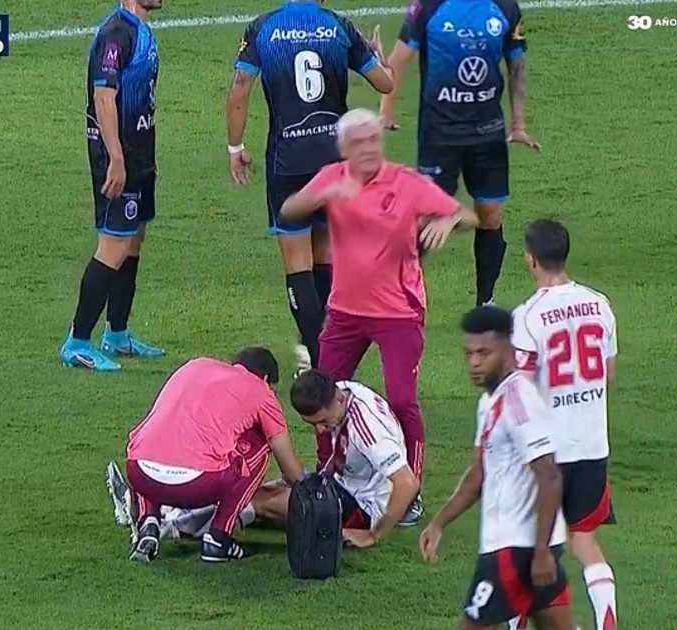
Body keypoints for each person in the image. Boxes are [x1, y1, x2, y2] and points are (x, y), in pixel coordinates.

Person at [280, 108, 477, 526]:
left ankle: (411, 490)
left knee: (402, 400)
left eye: (374, 139)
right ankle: (331, 473)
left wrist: (450, 218)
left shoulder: (406, 182)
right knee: (322, 393)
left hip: (398, 313)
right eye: (359, 142)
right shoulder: (333, 177)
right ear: (343, 148)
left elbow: (470, 215)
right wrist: (318, 197)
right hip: (345, 312)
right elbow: (289, 210)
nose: (369, 148)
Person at [226, 0, 395, 375]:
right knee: (326, 257)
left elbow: (240, 87)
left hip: (289, 160)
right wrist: (379, 57)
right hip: (335, 162)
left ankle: (319, 363)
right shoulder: (339, 27)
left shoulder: (263, 28)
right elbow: (385, 83)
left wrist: (235, 148)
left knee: (297, 264)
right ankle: (328, 357)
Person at [129, 370, 420, 546]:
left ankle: (171, 526)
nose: (320, 430)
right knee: (260, 491)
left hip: (362, 508)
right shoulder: (342, 393)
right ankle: (171, 517)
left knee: (258, 501)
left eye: (322, 422)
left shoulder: (368, 429)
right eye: (313, 424)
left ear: (339, 400)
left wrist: (373, 535)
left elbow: (407, 483)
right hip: (341, 485)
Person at [419, 305, 574, 630]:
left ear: (508, 351)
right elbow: (478, 474)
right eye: (469, 354)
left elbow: (549, 476)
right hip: (525, 547)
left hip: (515, 549)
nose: (474, 362)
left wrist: (541, 551)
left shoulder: (519, 401)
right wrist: (438, 523)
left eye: (484, 353)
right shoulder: (489, 402)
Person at [380, 0, 541, 307]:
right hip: (439, 134)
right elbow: (399, 58)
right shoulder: (428, 6)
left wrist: (518, 124)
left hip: (488, 133)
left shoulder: (505, 7)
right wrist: (386, 108)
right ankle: (400, 295)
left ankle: (485, 301)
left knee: (490, 215)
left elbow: (517, 65)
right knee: (425, 218)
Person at [507, 219, 619, 630]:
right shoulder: (600, 305)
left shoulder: (528, 316)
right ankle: (607, 622)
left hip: (546, 454)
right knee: (585, 541)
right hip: (591, 445)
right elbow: (607, 375)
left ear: (531, 259)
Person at [122, 347, 307, 563]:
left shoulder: (194, 366)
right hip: (200, 482)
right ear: (266, 379)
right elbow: (291, 470)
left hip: (139, 472)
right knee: (263, 442)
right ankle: (219, 537)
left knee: (154, 441)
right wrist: (303, 483)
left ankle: (149, 522)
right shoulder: (260, 390)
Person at [60, 0, 166, 372]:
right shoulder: (115, 34)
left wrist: (146, 159)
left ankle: (117, 334)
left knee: (133, 238)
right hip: (117, 156)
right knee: (114, 244)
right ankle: (77, 342)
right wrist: (116, 158)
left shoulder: (139, 30)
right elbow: (103, 98)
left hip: (138, 156)